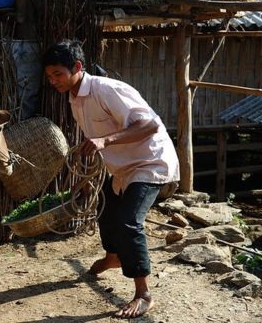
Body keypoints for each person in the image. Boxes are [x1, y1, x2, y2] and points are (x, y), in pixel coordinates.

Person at [42, 39, 180, 318]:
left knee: (129, 222)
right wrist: (93, 146)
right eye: (49, 76)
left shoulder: (108, 89)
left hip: (151, 162)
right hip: (123, 168)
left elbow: (150, 124)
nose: (53, 81)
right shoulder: (74, 98)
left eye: (58, 74)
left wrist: (104, 140)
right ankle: (114, 257)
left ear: (77, 68)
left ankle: (143, 294)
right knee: (105, 212)